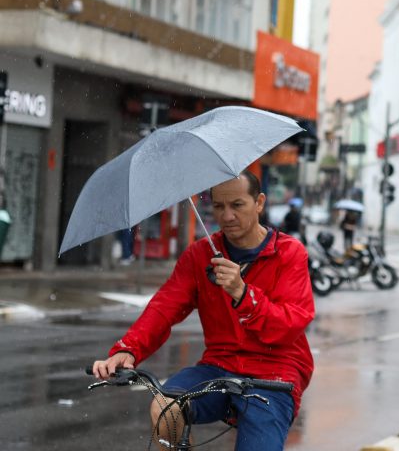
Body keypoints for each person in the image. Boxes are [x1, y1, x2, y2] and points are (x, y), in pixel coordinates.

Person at [90, 170, 315, 451]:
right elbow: (165, 306)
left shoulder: (290, 253)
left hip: (276, 373)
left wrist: (243, 293)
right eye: (218, 206)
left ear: (259, 202)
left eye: (237, 205)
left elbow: (290, 325)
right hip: (219, 365)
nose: (227, 216)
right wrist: (129, 349)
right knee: (165, 408)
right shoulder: (200, 254)